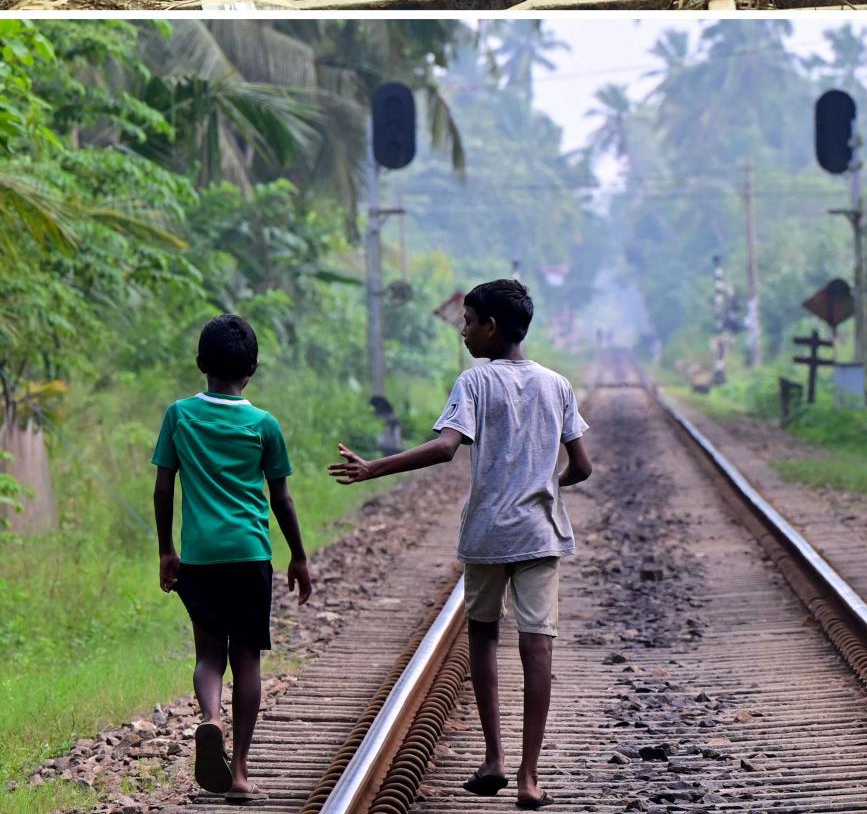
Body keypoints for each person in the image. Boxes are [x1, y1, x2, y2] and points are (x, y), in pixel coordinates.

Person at [330, 279, 592, 811]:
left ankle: (493, 756)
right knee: (538, 645)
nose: (465, 331)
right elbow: (582, 467)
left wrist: (375, 467)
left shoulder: (475, 383)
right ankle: (529, 776)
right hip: (539, 534)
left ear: (491, 327)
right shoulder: (557, 385)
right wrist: (542, 483)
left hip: (488, 536)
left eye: (469, 322)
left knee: (484, 636)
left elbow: (447, 448)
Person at [152, 314, 312, 801]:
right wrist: (299, 557)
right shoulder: (264, 424)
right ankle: (240, 773)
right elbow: (281, 499)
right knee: (246, 660)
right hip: (249, 555)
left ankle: (210, 719)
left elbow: (163, 488)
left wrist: (166, 550)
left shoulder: (179, 415)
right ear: (253, 368)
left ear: (201, 363)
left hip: (200, 557)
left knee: (207, 654)